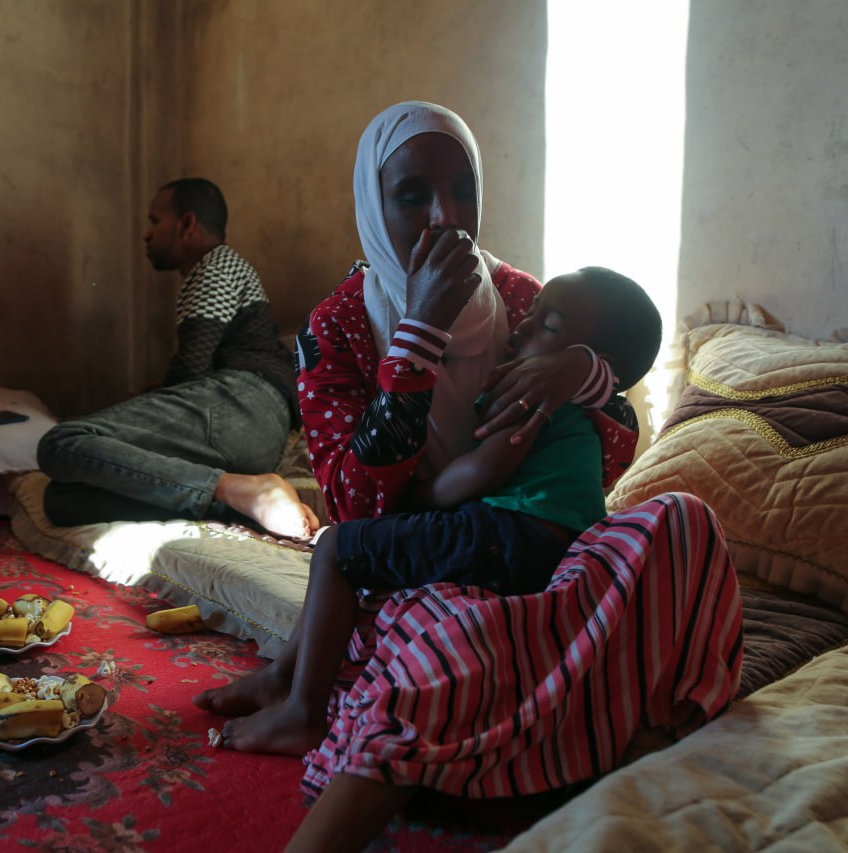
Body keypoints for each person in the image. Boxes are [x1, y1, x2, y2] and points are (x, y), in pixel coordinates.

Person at [206, 102, 743, 853]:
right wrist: (419, 334)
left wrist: (583, 373)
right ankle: (337, 699)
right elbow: (357, 508)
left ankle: (571, 692)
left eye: (463, 191)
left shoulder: (521, 298)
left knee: (683, 519)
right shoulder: (338, 327)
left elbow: (605, 456)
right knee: (453, 643)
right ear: (373, 202)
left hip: (527, 548)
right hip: (415, 565)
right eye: (412, 195)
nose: (446, 217)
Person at [203, 266, 664, 758]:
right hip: (538, 542)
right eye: (531, 313)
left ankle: (302, 712)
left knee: (337, 547)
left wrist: (415, 498)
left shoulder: (535, 390)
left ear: (593, 364)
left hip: (515, 536)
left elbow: (482, 470)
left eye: (547, 324)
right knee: (364, 551)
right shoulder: (581, 402)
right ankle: (280, 678)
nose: (523, 325)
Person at [36, 177, 320, 538]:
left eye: (155, 221)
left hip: (245, 404)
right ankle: (242, 502)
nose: (147, 234)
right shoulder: (213, 272)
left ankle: (233, 487)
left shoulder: (218, 264)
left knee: (61, 442)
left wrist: (136, 410)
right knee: (62, 500)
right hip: (251, 434)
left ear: (187, 224)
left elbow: (191, 368)